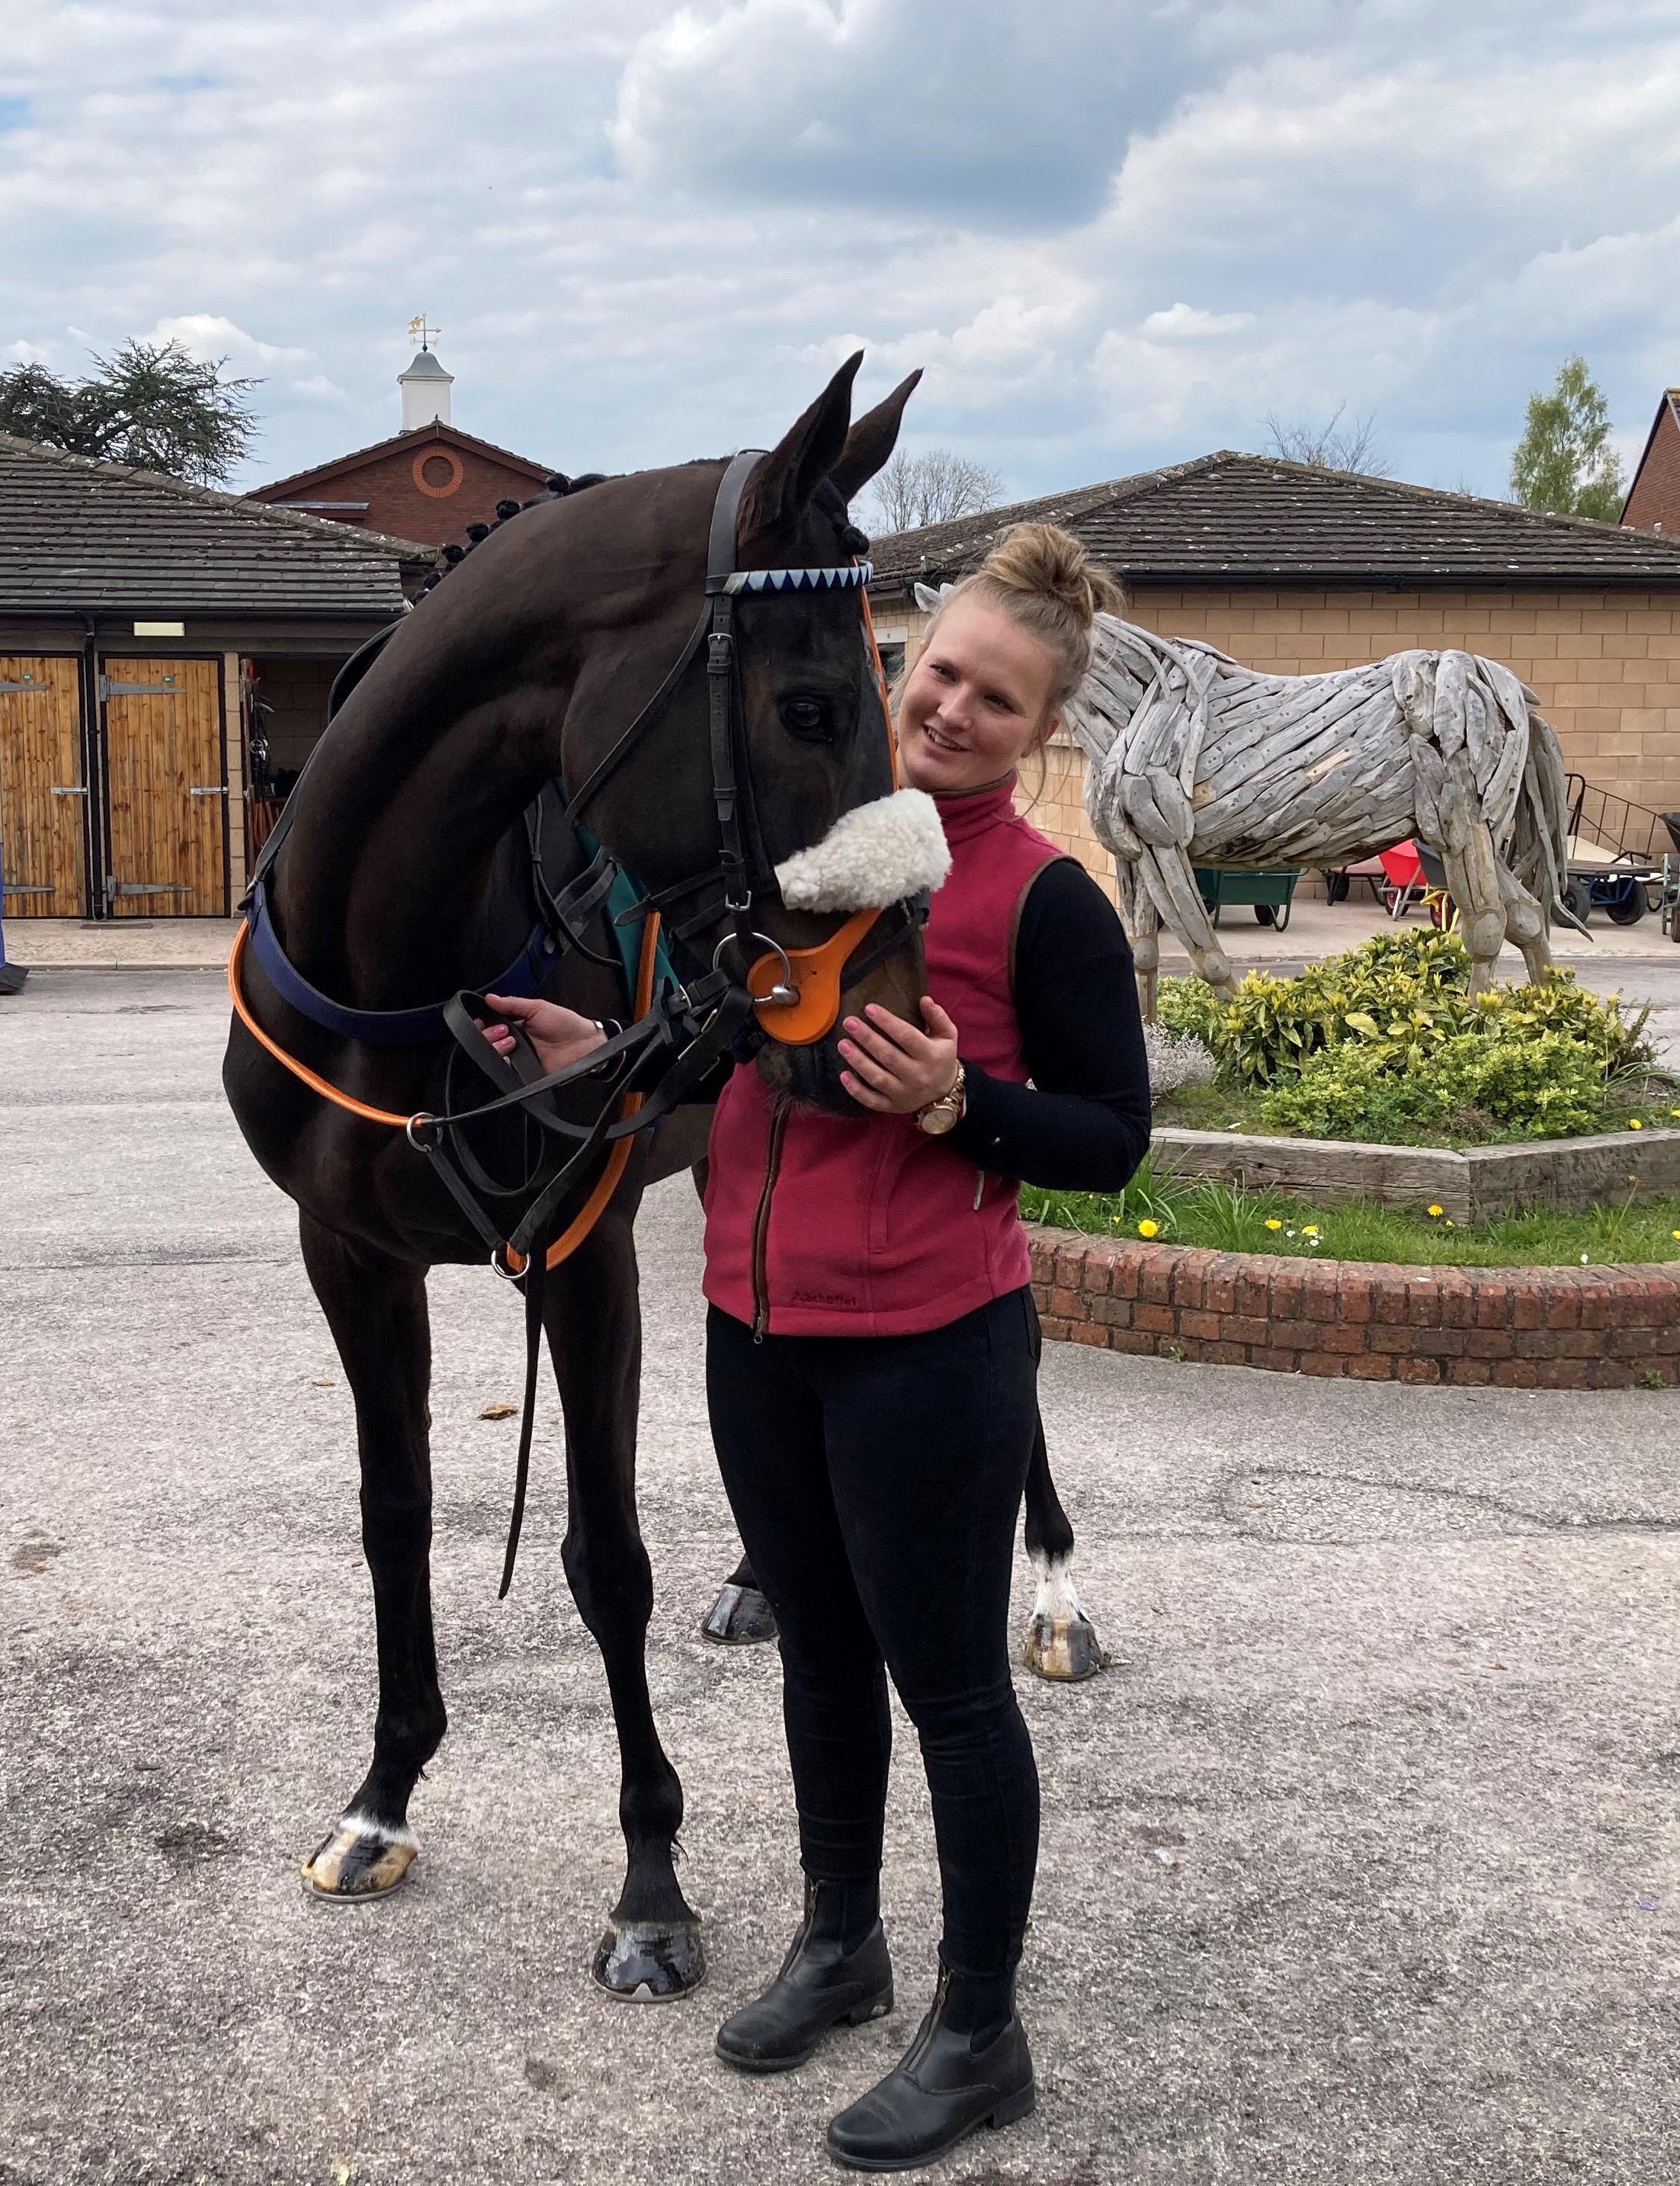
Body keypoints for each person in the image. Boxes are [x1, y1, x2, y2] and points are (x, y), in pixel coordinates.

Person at [487, 522, 1151, 2172]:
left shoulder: (1042, 900)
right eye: (935, 673)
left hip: (931, 1347)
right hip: (756, 1334)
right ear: (895, 667)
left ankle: (980, 2027)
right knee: (818, 1662)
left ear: (1042, 729)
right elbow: (738, 1069)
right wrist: (611, 1055)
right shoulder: (811, 859)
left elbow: (1111, 1137)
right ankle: (841, 1946)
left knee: (954, 1697)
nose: (948, 712)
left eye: (996, 701)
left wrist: (959, 1102)